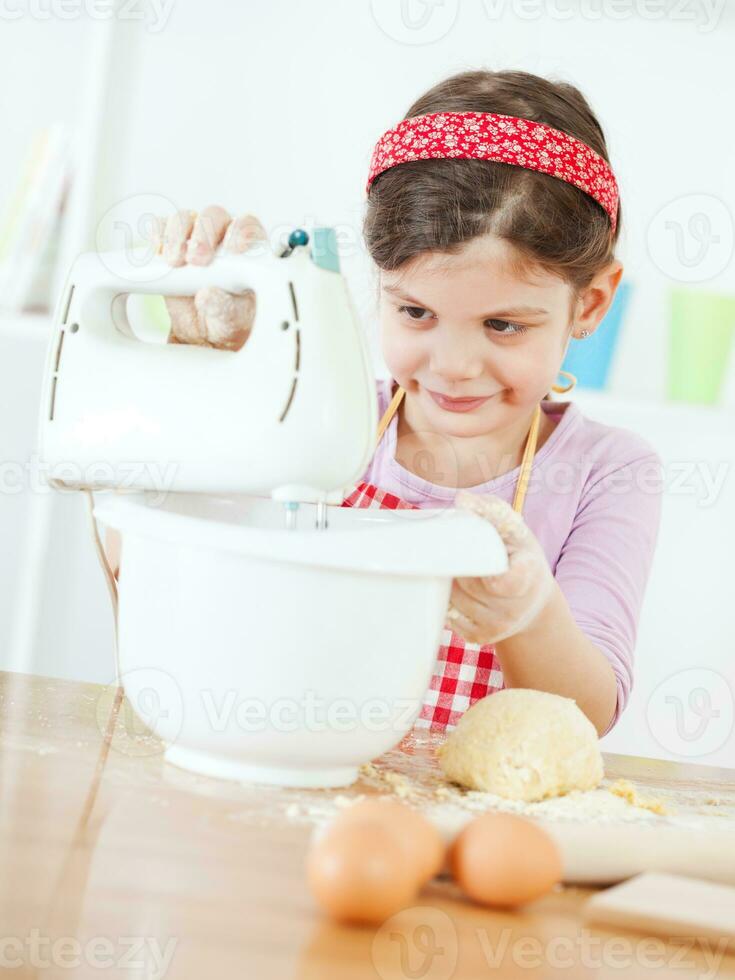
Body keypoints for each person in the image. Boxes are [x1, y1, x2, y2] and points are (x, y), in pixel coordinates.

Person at [108, 69, 663, 739]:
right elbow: (138, 569)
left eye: (503, 325)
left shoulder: (608, 470)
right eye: (415, 311)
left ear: (591, 304)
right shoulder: (313, 422)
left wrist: (527, 613)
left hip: (472, 824)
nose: (454, 368)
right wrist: (204, 364)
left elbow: (589, 712)